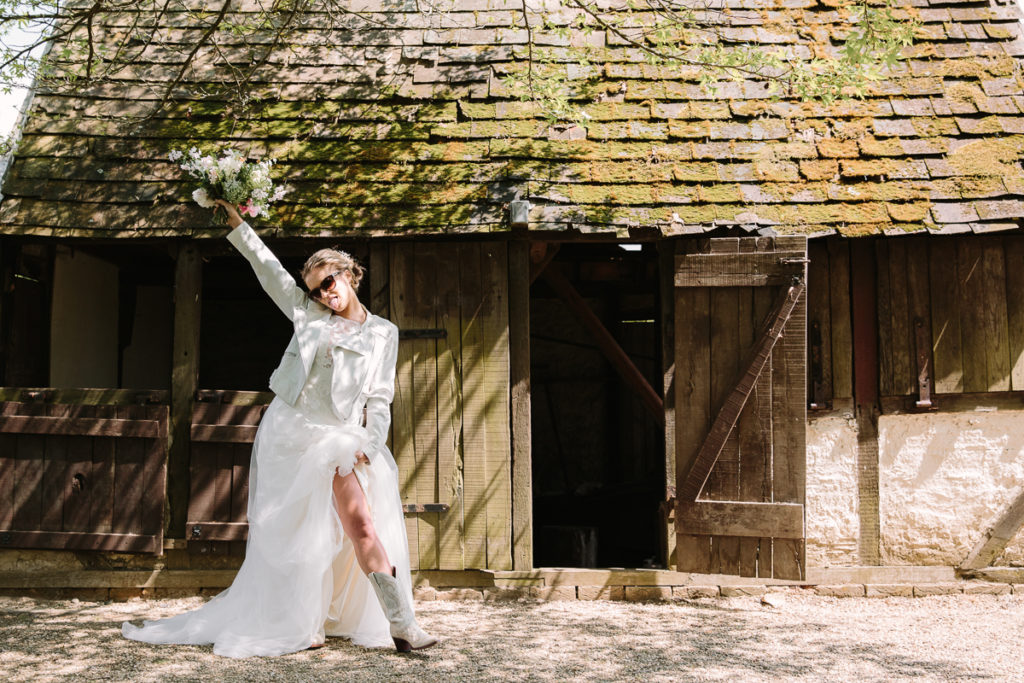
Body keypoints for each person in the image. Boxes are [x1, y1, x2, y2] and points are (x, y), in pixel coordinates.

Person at [122, 200, 437, 657]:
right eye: (315, 289)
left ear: (349, 274)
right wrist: (236, 222)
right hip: (290, 432)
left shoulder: (383, 333)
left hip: (341, 437)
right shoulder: (308, 315)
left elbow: (380, 398)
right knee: (294, 534)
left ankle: (402, 624)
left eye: (330, 282)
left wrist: (371, 441)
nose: (325, 294)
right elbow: (267, 268)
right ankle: (302, 626)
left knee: (362, 523)